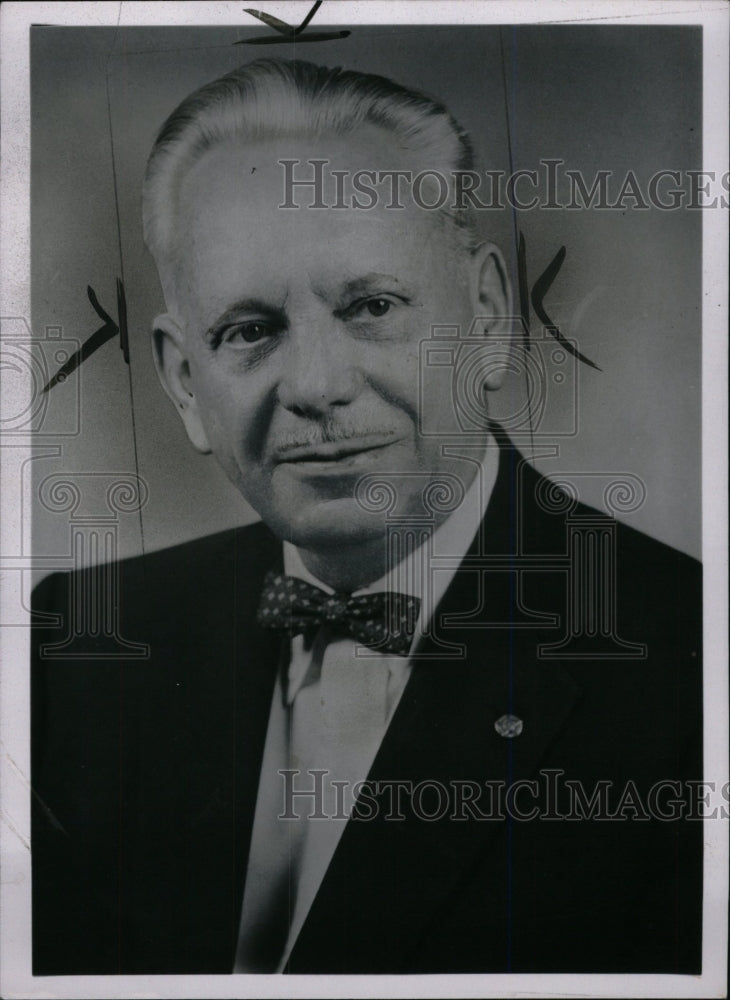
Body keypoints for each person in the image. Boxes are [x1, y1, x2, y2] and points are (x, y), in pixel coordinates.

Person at [31, 58, 702, 976]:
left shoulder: (692, 665)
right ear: (186, 385)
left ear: (488, 319)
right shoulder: (70, 648)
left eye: (373, 307)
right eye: (249, 330)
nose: (315, 388)